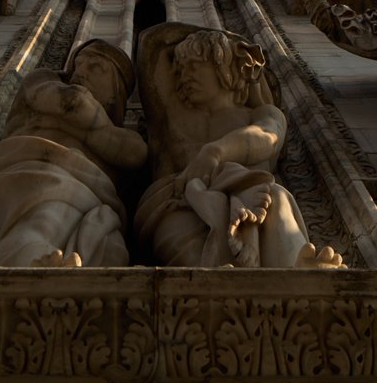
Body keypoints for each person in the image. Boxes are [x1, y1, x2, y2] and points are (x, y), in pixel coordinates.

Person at [135, 25, 343, 269]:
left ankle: (296, 270)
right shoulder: (170, 118)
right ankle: (215, 276)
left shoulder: (261, 113)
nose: (184, 76)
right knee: (180, 235)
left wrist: (215, 151)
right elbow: (150, 44)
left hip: (252, 194)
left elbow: (268, 136)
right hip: (179, 202)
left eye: (194, 66)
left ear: (224, 68)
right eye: (180, 69)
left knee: (276, 198)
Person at [0, 40, 147, 268]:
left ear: (115, 94)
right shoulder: (42, 79)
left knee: (112, 248)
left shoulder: (124, 135)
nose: (80, 72)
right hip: (40, 173)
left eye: (95, 68)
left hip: (95, 199)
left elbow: (136, 153)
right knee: (45, 219)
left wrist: (71, 126)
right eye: (78, 65)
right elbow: (73, 102)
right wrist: (99, 135)